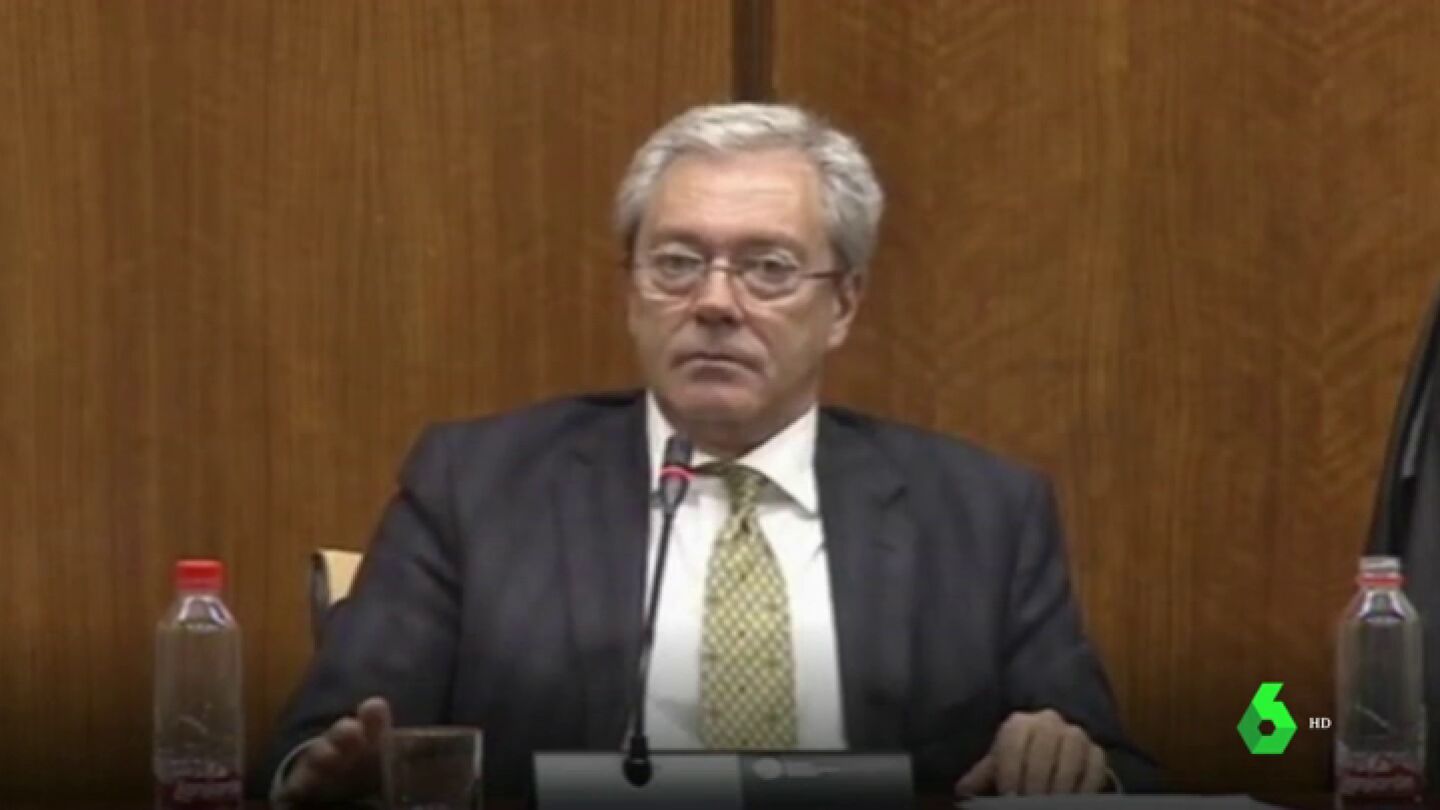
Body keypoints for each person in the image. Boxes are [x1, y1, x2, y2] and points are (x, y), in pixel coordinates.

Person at [256, 102, 1161, 803]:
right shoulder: (475, 486)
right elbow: (311, 748)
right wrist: (330, 776)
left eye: (769, 268)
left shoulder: (984, 514)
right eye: (678, 263)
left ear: (843, 304)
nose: (717, 303)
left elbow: (1119, 767)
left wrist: (1071, 761)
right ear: (633, 291)